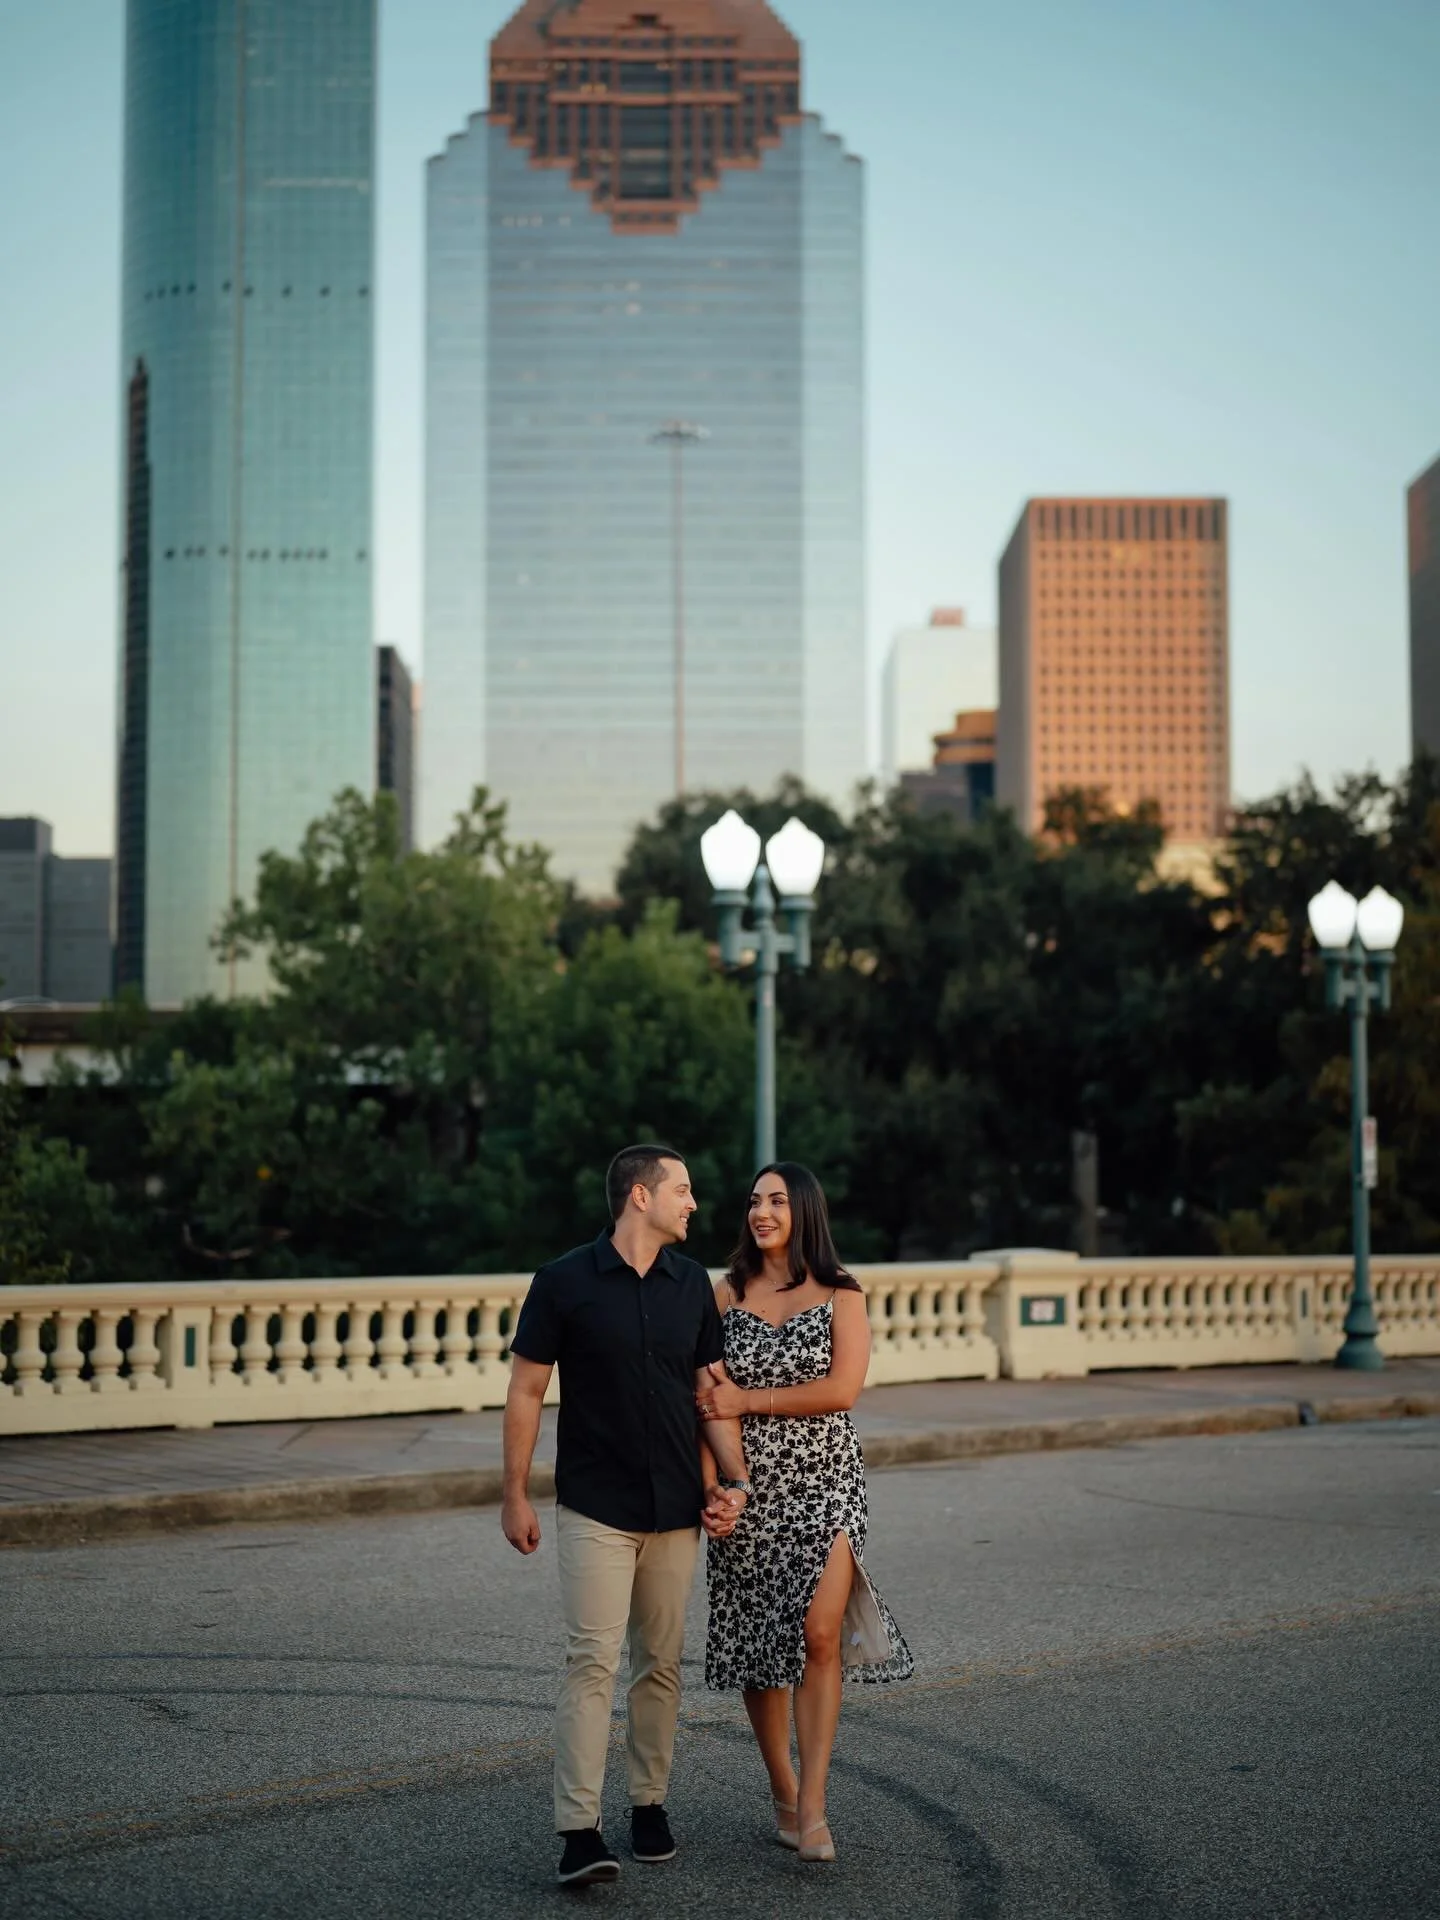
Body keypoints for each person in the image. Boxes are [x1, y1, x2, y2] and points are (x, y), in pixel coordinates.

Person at [502, 1144, 751, 1888]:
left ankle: (649, 1805)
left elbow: (710, 1394)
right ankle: (579, 1831)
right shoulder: (563, 1281)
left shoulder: (692, 1285)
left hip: (675, 1507)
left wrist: (735, 1481)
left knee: (661, 1664)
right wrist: (513, 1492)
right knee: (592, 1661)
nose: (693, 1203)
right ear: (640, 1196)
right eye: (683, 1189)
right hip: (596, 1504)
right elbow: (525, 1391)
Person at [696, 1161, 913, 1865]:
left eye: (777, 1201)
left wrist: (749, 1400)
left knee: (820, 1633)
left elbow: (842, 1390)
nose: (761, 1212)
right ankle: (783, 1791)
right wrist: (715, 1488)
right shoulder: (726, 1294)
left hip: (827, 1483)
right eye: (754, 1200)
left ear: (805, 1212)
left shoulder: (842, 1293)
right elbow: (705, 1400)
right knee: (762, 1649)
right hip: (748, 1485)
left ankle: (815, 1804)